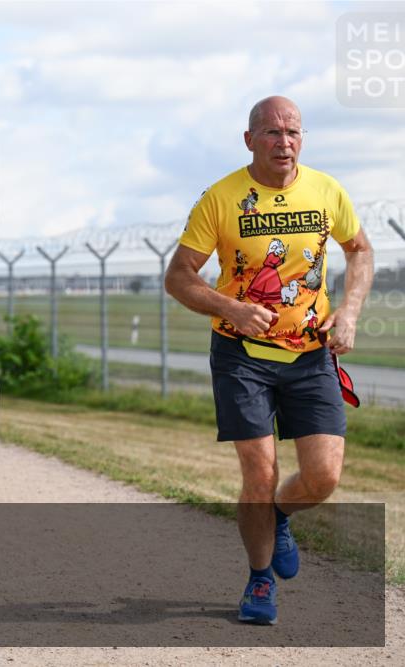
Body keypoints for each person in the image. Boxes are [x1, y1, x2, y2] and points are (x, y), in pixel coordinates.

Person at [165, 96, 374, 625]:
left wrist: (347, 312)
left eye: (294, 132)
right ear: (250, 139)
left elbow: (361, 250)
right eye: (273, 133)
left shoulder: (327, 190)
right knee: (260, 473)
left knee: (323, 477)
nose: (285, 142)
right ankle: (260, 581)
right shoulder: (222, 198)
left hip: (310, 354)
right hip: (242, 355)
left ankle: (278, 516)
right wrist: (230, 306)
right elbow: (179, 276)